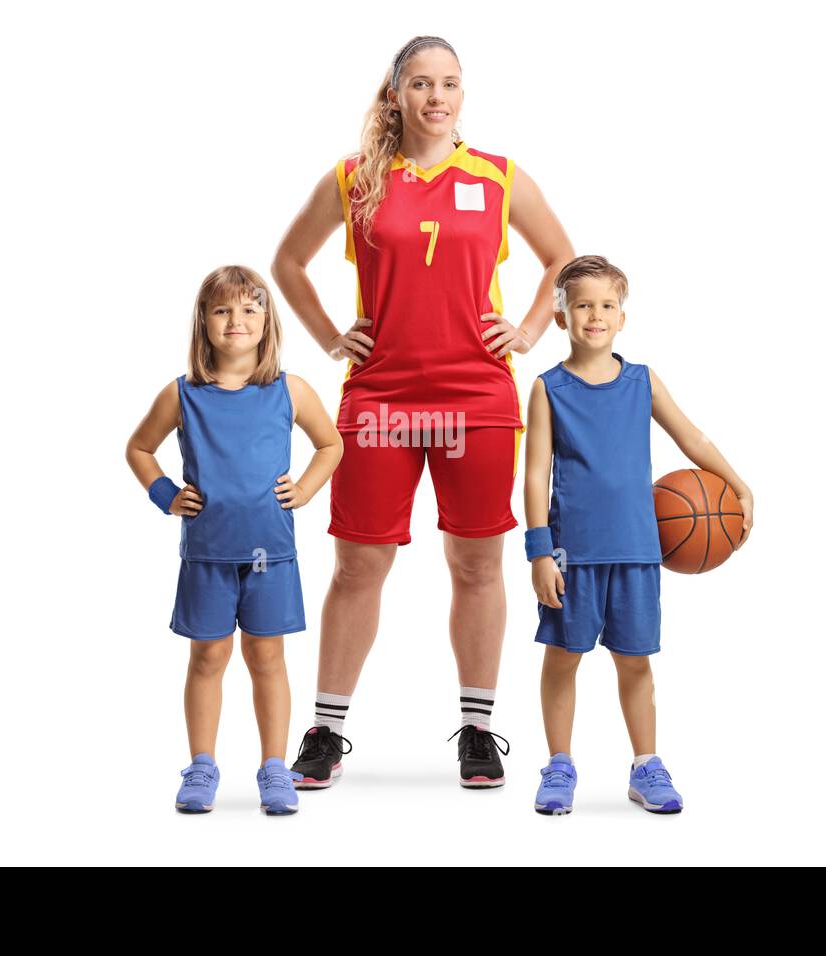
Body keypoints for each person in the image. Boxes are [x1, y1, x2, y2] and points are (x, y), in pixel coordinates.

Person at [271, 36, 574, 789]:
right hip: (382, 398)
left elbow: (563, 261)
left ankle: (477, 729)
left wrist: (531, 330)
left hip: (477, 397)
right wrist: (331, 337)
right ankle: (326, 730)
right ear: (396, 94)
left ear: (462, 96)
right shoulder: (355, 181)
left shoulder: (499, 177)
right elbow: (287, 263)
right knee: (359, 563)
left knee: (476, 562)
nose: (437, 97)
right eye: (421, 84)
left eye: (450, 84)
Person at [523, 255, 754, 815]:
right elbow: (534, 474)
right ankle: (559, 763)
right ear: (561, 317)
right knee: (562, 657)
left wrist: (737, 483)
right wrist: (538, 553)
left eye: (606, 306)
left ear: (622, 317)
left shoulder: (642, 381)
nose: (595, 316)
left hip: (637, 551)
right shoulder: (547, 388)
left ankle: (646, 764)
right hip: (570, 555)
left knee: (635, 662)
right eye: (582, 305)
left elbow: (692, 437)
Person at [125, 265, 343, 815]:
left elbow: (331, 444)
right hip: (206, 555)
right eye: (222, 310)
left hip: (272, 555)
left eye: (250, 308)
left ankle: (274, 767)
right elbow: (138, 449)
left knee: (267, 658)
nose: (236, 320)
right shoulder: (183, 394)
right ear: (204, 321)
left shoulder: (289, 389)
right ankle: (202, 765)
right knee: (208, 658)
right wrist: (165, 495)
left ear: (267, 321)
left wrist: (306, 490)